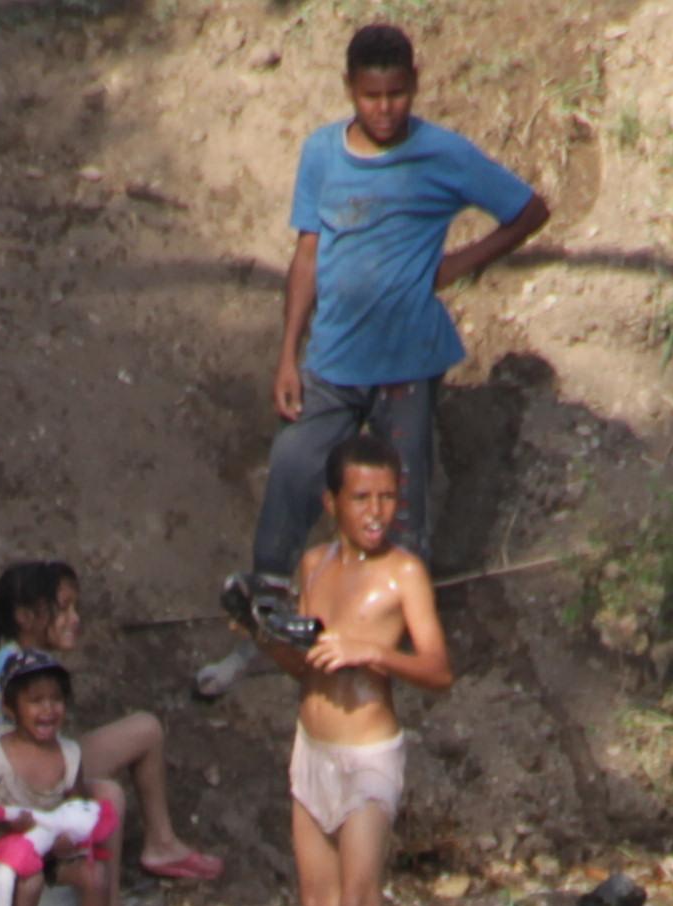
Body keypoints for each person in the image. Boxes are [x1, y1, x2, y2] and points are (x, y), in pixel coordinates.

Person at [210, 21, 545, 682]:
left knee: (399, 497)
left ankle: (394, 636)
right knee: (295, 466)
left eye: (396, 93)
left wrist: (460, 263)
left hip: (406, 365)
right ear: (350, 92)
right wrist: (287, 352)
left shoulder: (443, 155)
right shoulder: (322, 155)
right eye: (371, 95)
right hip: (332, 359)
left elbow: (528, 210)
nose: (385, 108)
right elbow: (307, 254)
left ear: (415, 86)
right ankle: (270, 615)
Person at [263, 433, 446, 906]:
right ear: (331, 502)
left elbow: (438, 669)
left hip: (369, 753)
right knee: (318, 904)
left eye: (388, 497)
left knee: (357, 902)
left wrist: (372, 651)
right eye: (362, 497)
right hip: (312, 747)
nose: (376, 512)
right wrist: (262, 637)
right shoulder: (313, 566)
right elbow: (304, 664)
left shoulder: (405, 574)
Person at [0, 561, 222, 885]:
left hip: (48, 762)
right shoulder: (5, 672)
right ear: (25, 616)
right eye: (63, 609)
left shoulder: (36, 663)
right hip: (24, 786)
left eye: (75, 607)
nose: (75, 619)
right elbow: (3, 761)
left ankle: (161, 843)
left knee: (146, 728)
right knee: (109, 795)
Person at [0, 652, 164, 906]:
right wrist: (10, 824)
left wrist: (71, 839)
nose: (48, 709)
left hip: (53, 848)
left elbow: (79, 810)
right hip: (8, 847)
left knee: (96, 875)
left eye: (56, 699)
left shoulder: (70, 754)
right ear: (10, 708)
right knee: (31, 881)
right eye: (36, 700)